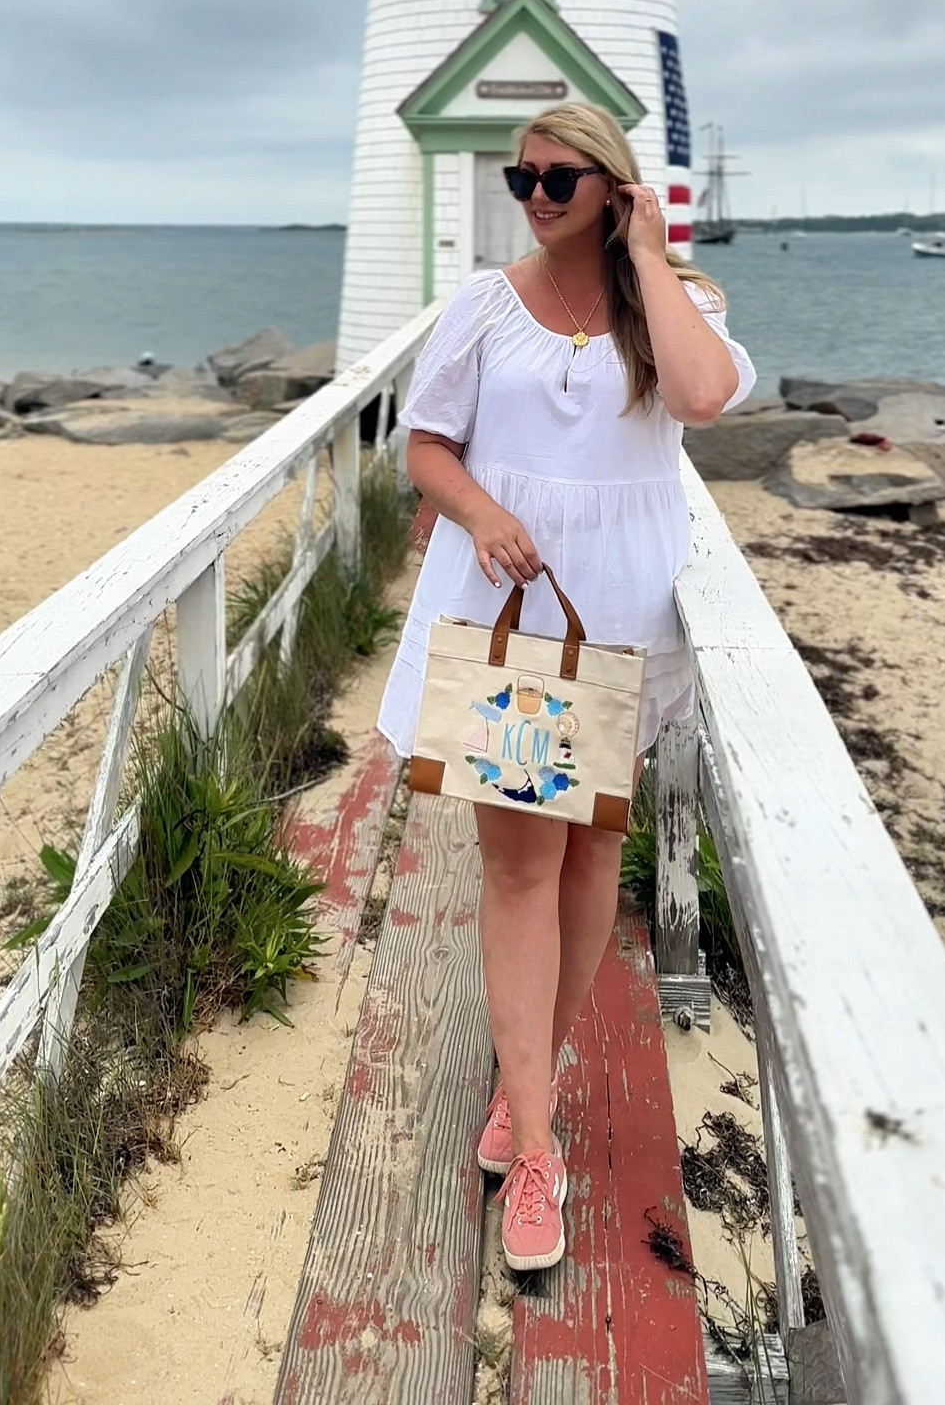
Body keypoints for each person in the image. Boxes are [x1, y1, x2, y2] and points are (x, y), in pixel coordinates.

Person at [376, 101, 756, 1274]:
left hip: (620, 624)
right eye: (521, 177)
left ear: (612, 185)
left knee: (592, 854)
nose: (535, 196)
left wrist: (648, 256)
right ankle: (536, 1139)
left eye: (558, 178)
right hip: (510, 621)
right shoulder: (486, 306)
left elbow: (702, 400)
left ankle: (523, 1077)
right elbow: (424, 444)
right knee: (520, 860)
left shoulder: (673, 304)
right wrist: (484, 512)